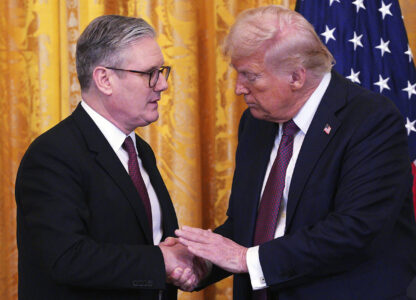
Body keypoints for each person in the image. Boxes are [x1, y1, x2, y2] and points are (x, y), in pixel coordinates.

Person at [176, 5, 416, 300]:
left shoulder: (370, 120)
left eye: (250, 76)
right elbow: (249, 224)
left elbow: (355, 231)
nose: (239, 89)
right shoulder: (256, 123)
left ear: (296, 77)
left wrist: (244, 259)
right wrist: (199, 262)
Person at [15, 15, 201, 300]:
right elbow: (67, 258)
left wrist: (183, 263)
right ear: (104, 79)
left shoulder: (140, 151)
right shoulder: (52, 155)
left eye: (162, 71)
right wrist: (162, 261)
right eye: (150, 73)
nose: (162, 84)